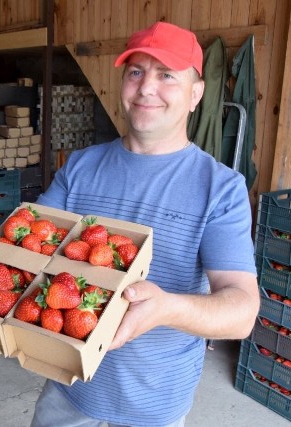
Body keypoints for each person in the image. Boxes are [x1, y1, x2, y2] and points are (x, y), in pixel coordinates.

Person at [30, 21, 260, 426]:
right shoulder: (80, 167)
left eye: (166, 75)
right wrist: (7, 249)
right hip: (68, 390)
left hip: (153, 407)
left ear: (196, 94)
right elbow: (36, 240)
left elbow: (241, 312)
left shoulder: (220, 189)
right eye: (136, 71)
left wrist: (165, 308)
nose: (146, 87)